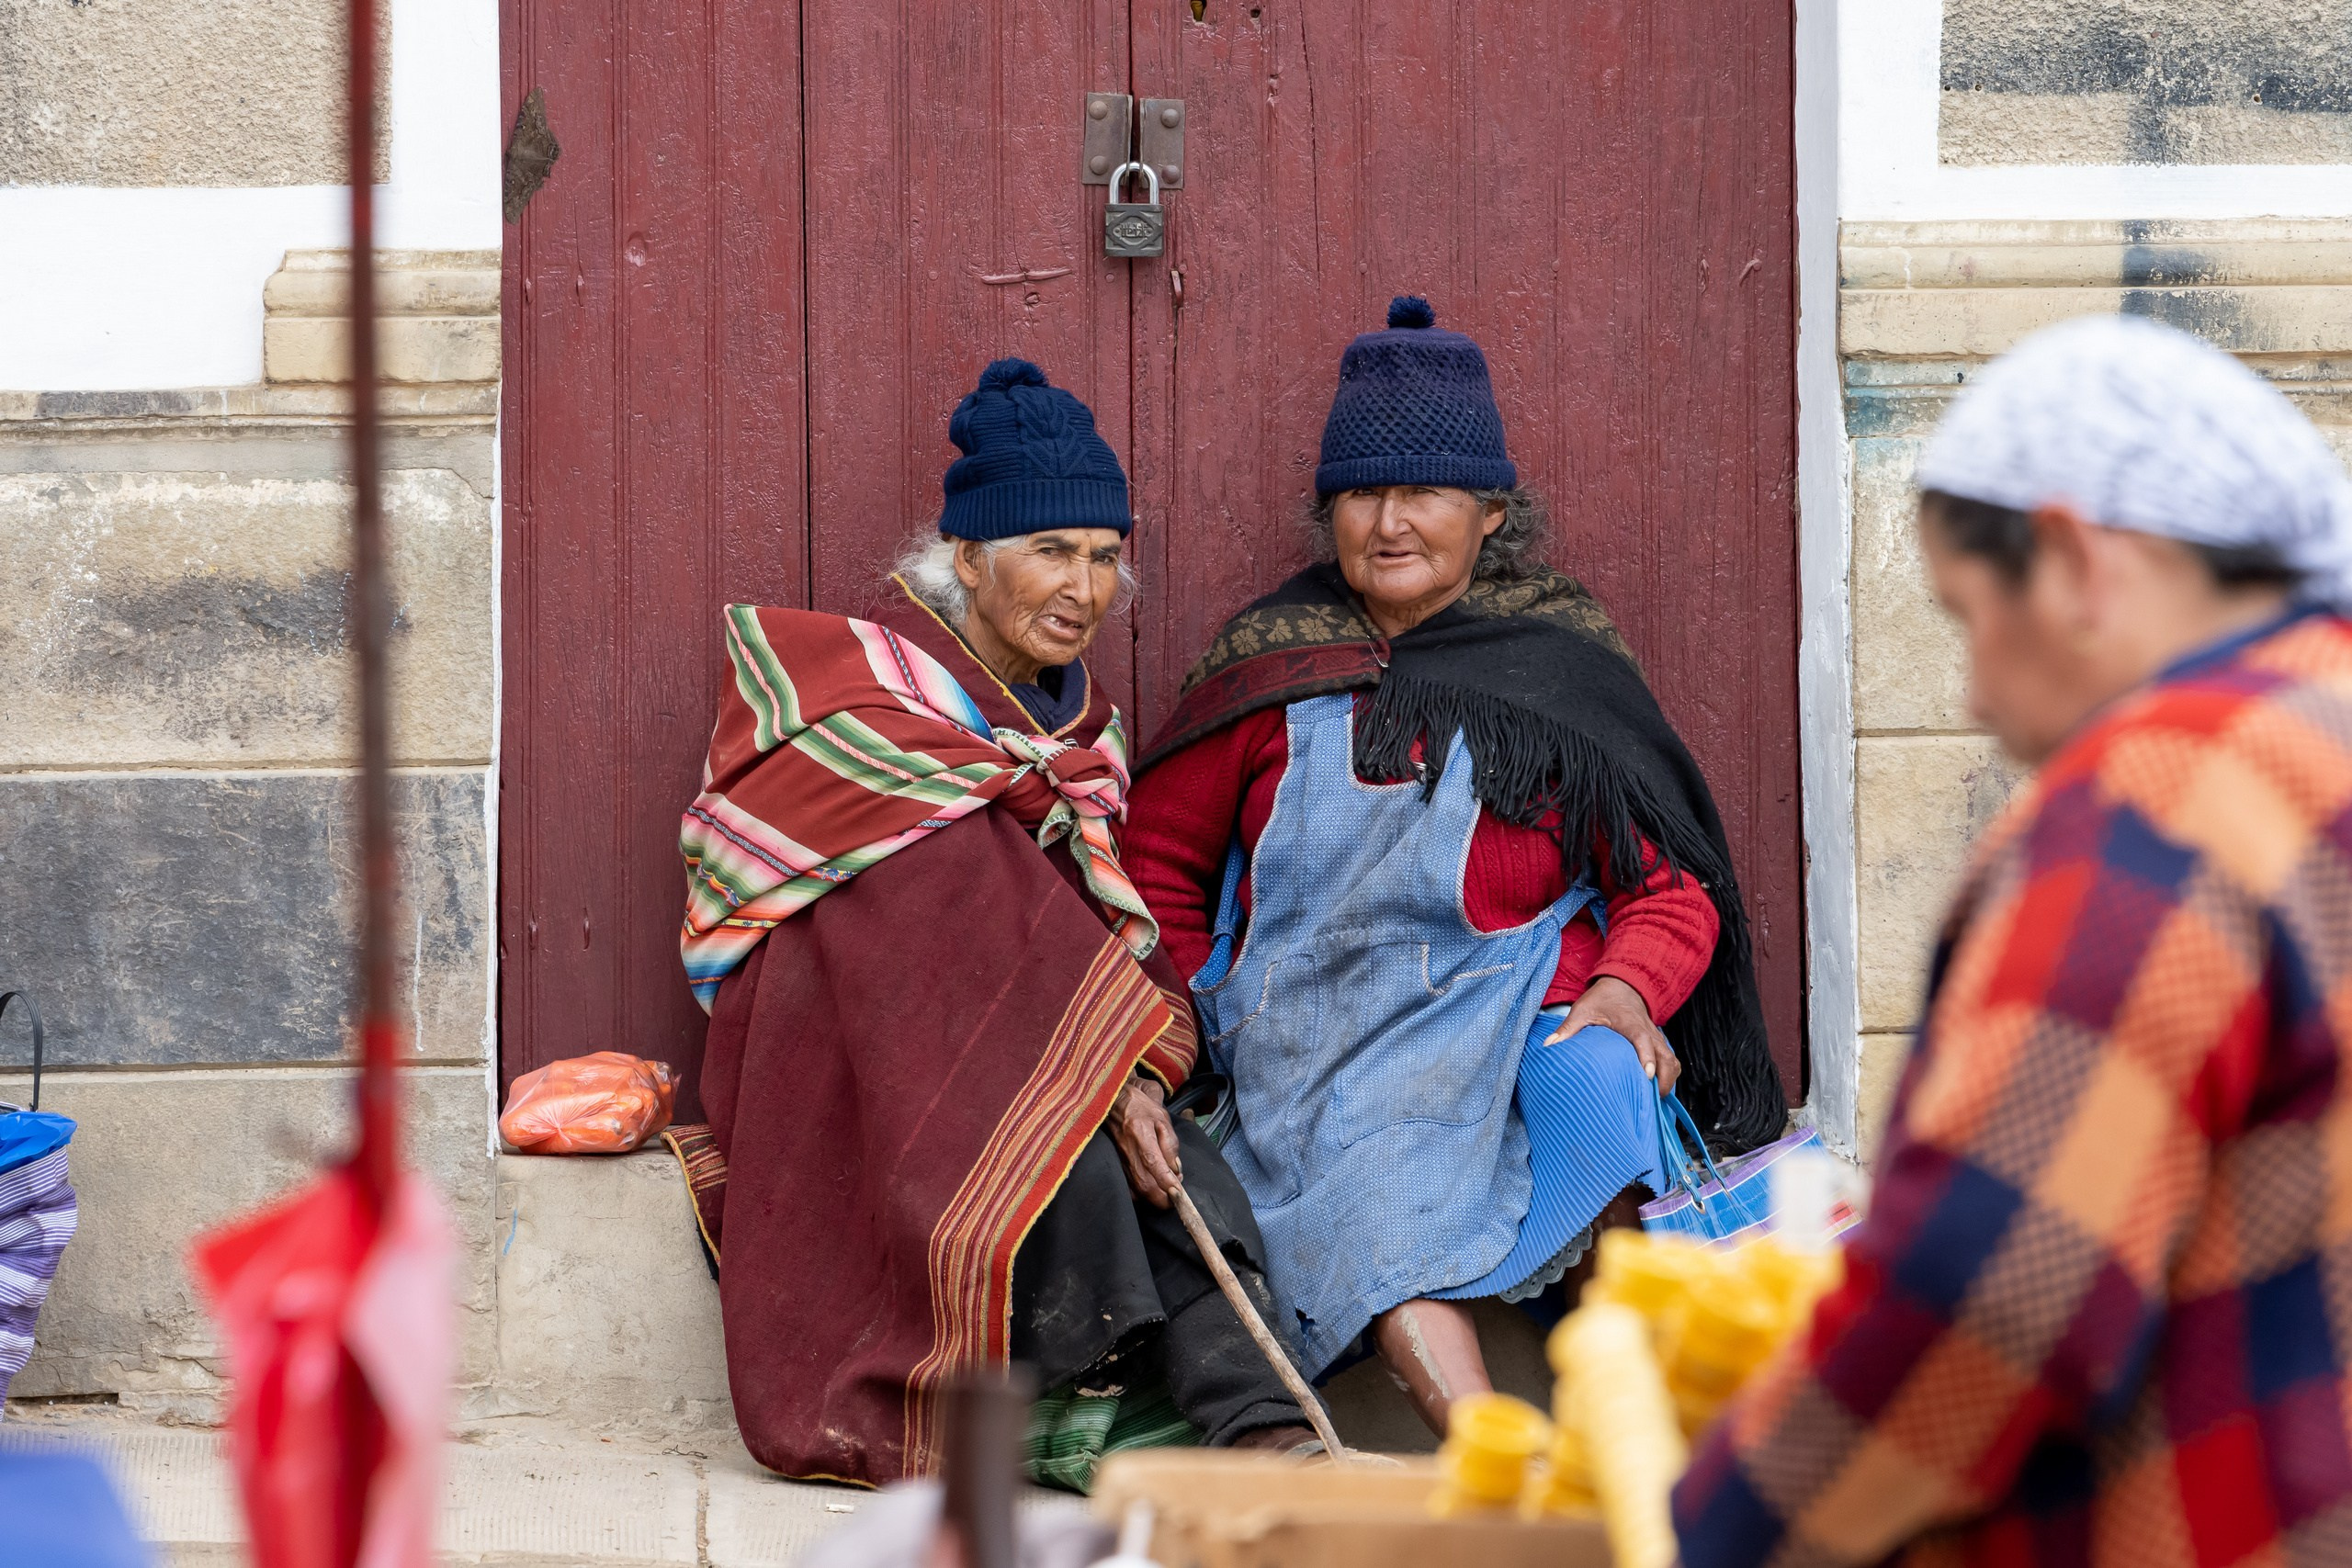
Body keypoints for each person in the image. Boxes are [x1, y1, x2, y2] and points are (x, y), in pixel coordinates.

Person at [1674, 314, 2352, 1565]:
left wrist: (1719, 1533)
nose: (1979, 696)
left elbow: (1990, 1293)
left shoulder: (2167, 799)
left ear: (2076, 558)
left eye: (1968, 614)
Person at [1125, 298, 1787, 1433]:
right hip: (1322, 1030)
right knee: (1379, 1185)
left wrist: (1626, 994)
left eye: (1422, 494)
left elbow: (1665, 885)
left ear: (1489, 515)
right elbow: (1157, 870)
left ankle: (1624, 1432)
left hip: (1525, 1000)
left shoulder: (1560, 666)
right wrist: (1191, 1024)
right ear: (1327, 511)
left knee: (1600, 1092)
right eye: (1361, 494)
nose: (1389, 523)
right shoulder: (1270, 666)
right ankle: (1492, 1470)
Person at [678, 358, 1316, 1488]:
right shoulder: (863, 704)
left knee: (1159, 1151)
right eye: (1049, 551)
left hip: (1020, 1033)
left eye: (1106, 557)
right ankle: (1128, 1405)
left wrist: (1123, 1063)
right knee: (1064, 1136)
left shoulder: (1076, 735)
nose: (1083, 585)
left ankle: (1263, 1422)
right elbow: (941, 912)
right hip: (852, 1057)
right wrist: (1095, 1061)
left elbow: (1074, 924)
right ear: (967, 558)